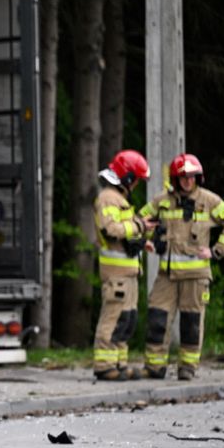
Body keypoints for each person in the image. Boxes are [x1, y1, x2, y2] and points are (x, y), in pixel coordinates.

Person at [139, 153, 224, 380]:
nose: (188, 181)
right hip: (167, 275)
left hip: (196, 276)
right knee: (157, 318)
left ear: (198, 178)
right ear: (175, 179)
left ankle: (187, 367)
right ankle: (154, 366)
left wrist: (216, 251)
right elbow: (140, 221)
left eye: (192, 177)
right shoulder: (162, 200)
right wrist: (147, 239)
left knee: (191, 323)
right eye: (183, 177)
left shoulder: (209, 201)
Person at [92, 150, 152, 381]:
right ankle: (104, 365)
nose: (136, 185)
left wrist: (141, 241)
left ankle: (119, 363)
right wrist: (139, 226)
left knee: (126, 320)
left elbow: (124, 234)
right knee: (113, 318)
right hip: (115, 273)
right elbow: (111, 229)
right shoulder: (108, 198)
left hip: (128, 271)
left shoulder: (119, 198)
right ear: (127, 177)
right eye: (136, 179)